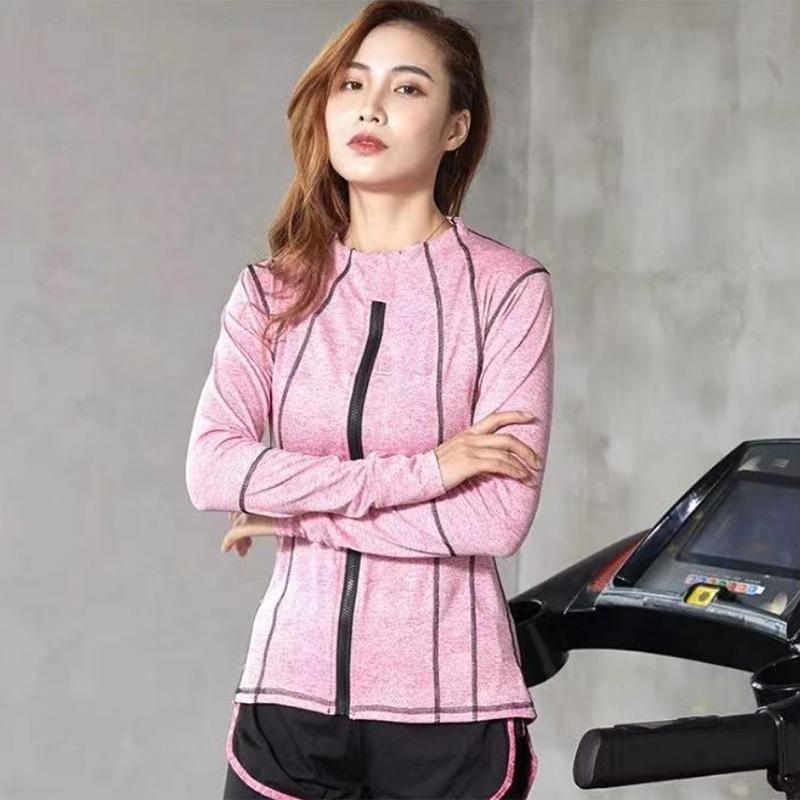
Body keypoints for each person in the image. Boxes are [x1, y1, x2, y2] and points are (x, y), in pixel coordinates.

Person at [184, 1, 555, 796]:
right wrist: (430, 468)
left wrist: (295, 515)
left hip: (453, 718)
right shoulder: (271, 293)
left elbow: (494, 519)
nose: (371, 107)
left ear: (455, 128)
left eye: (408, 88)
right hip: (288, 702)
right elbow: (213, 469)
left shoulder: (507, 291)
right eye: (352, 84)